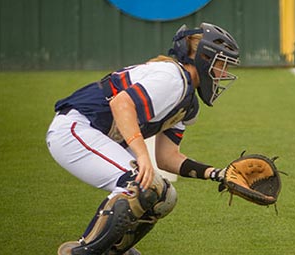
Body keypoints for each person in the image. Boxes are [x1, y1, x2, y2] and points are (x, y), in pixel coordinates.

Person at [46, 22, 240, 255]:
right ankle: (85, 251)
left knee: (164, 196)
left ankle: (112, 250)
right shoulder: (173, 78)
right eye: (221, 64)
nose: (223, 73)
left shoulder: (186, 100)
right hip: (77, 127)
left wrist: (215, 173)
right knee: (138, 184)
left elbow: (168, 157)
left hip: (93, 132)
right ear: (204, 58)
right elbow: (121, 103)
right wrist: (141, 155)